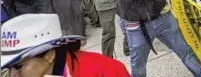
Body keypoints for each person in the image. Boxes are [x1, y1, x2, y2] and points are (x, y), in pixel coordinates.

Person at [1, 14, 131, 77]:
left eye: (18, 66)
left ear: (49, 55)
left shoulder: (107, 71)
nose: (12, 75)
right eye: (8, 68)